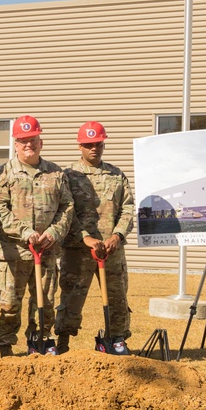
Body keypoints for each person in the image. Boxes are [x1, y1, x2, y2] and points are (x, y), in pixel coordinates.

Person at [0, 115, 74, 356]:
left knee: (44, 304)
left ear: (41, 142)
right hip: (12, 254)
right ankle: (5, 347)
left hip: (46, 253)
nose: (29, 145)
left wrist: (53, 233)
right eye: (23, 140)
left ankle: (39, 342)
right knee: (7, 305)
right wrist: (25, 233)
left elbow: (67, 208)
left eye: (33, 140)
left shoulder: (56, 174)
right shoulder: (2, 174)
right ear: (15, 144)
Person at [55, 121, 135, 353]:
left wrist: (118, 236)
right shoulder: (68, 175)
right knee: (71, 298)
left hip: (112, 250)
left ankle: (117, 340)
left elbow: (128, 208)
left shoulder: (116, 175)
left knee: (117, 298)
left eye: (98, 144)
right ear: (79, 146)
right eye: (89, 144)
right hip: (78, 251)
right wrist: (84, 238)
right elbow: (65, 211)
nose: (94, 149)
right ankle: (63, 343)